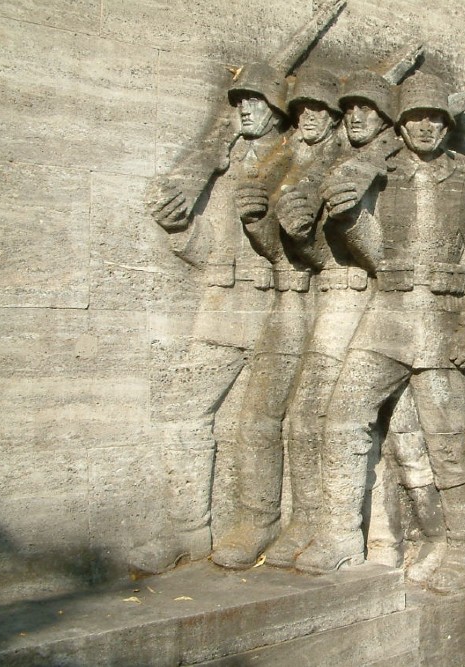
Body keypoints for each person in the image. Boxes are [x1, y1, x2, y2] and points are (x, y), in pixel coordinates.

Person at [295, 72, 465, 595]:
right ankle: (339, 536)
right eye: (415, 117)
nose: (425, 126)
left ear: (446, 126)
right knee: (341, 416)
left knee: (447, 445)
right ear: (400, 124)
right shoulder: (378, 172)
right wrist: (345, 217)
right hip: (387, 314)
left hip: (443, 320)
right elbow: (373, 250)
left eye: (435, 118)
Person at [130, 63, 287, 574]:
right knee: (182, 412)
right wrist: (180, 230)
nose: (243, 108)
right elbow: (212, 251)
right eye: (239, 100)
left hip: (282, 310)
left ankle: (262, 522)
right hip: (222, 310)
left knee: (261, 426)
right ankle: (189, 531)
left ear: (278, 108)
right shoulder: (226, 165)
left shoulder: (297, 162)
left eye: (254, 100)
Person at [260, 68, 401, 567]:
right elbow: (326, 253)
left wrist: (348, 220)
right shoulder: (345, 163)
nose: (357, 116)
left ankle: (335, 533)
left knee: (326, 414)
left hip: (365, 301)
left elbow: (389, 258)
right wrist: (296, 231)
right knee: (303, 415)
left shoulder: (392, 167)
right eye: (353, 108)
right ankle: (306, 522)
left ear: (387, 118)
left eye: (369, 109)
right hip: (332, 293)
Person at [211, 67, 344, 568]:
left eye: (318, 110)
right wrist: (258, 221)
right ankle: (258, 517)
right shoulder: (284, 156)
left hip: (329, 297)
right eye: (302, 109)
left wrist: (302, 231)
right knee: (258, 416)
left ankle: (307, 520)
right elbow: (277, 250)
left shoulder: (344, 161)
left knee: (308, 419)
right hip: (288, 297)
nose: (308, 118)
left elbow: (341, 251)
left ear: (333, 117)